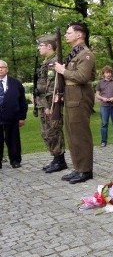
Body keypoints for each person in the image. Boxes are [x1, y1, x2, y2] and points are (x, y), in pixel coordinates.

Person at [54, 22, 96, 184]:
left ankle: (86, 170)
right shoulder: (74, 54)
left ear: (79, 35)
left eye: (69, 33)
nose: (66, 35)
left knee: (80, 134)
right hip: (71, 94)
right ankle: (78, 168)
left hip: (80, 94)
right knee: (72, 134)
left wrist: (63, 70)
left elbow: (82, 77)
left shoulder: (85, 54)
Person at [35, 34, 68, 173]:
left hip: (49, 104)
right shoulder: (46, 62)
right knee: (46, 132)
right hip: (43, 103)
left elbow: (52, 86)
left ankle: (60, 161)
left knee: (53, 131)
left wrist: (50, 106)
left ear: (49, 46)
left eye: (41, 45)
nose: (38, 48)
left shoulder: (54, 62)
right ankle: (56, 158)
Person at [0, 60, 28, 169]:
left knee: (13, 140)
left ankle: (15, 160)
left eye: (2, 67)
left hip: (12, 116)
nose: (0, 69)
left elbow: (22, 101)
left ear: (7, 69)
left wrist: (22, 117)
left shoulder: (15, 83)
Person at [95, 65, 113, 147]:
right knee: (104, 124)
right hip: (104, 106)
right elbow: (97, 94)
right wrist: (102, 98)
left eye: (110, 72)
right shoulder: (100, 83)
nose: (108, 74)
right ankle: (103, 141)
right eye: (107, 73)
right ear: (103, 74)